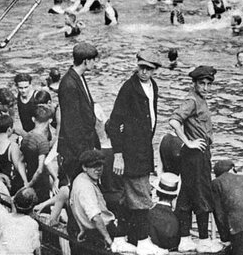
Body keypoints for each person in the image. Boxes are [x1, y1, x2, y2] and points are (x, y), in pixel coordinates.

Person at [107, 51, 163, 243]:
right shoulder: (129, 88)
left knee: (131, 195)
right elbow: (113, 123)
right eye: (141, 67)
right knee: (140, 196)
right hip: (131, 151)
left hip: (144, 149)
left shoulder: (153, 86)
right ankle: (142, 241)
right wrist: (118, 154)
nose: (144, 72)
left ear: (155, 70)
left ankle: (125, 238)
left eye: (149, 69)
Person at [170, 66, 220, 252]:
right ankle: (204, 240)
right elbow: (174, 121)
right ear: (194, 83)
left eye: (208, 84)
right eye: (202, 83)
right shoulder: (192, 100)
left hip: (196, 154)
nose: (206, 88)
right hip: (196, 154)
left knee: (187, 194)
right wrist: (188, 142)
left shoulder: (199, 99)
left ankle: (184, 238)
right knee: (201, 193)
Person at [57, 43, 101, 184]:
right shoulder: (69, 84)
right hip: (75, 151)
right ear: (86, 61)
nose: (95, 63)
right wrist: (84, 155)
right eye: (93, 60)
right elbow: (72, 124)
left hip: (84, 144)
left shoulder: (78, 78)